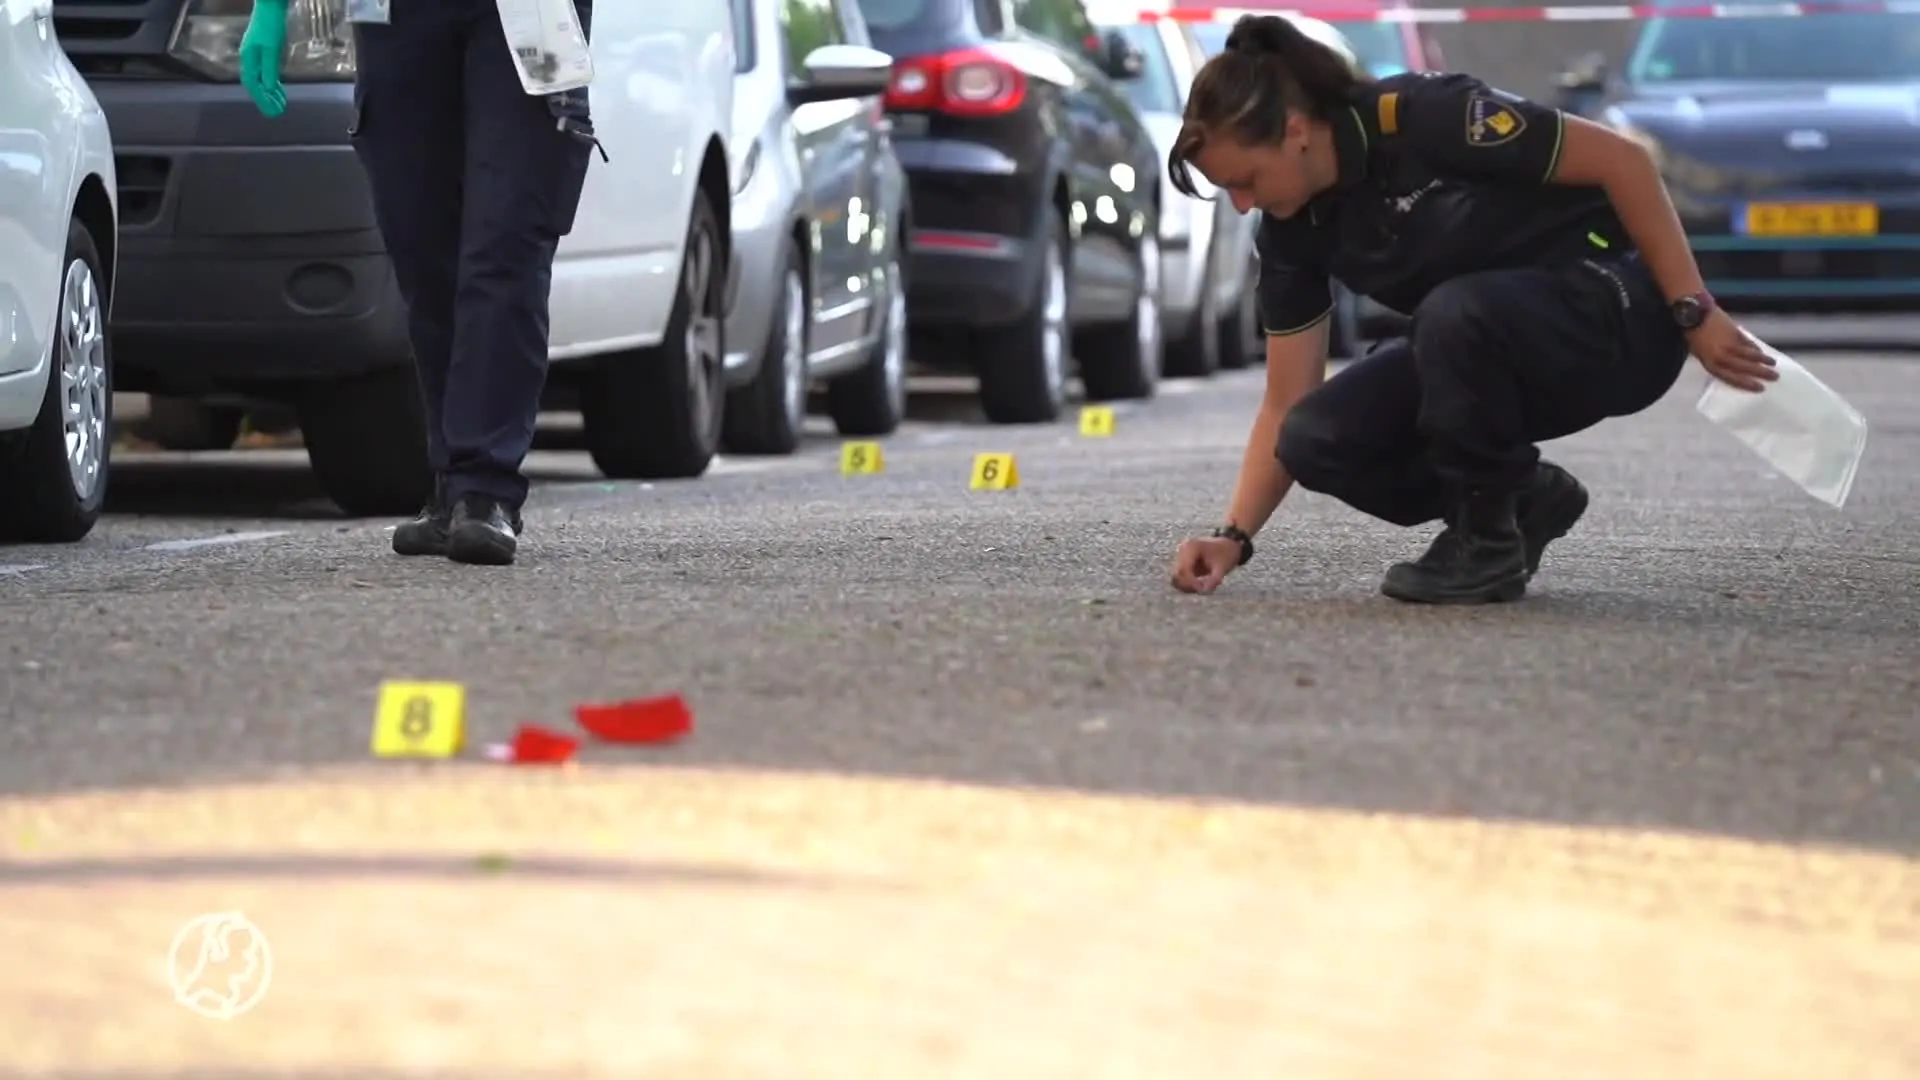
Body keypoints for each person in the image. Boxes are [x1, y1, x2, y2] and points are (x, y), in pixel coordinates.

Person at [1164, 15, 1775, 605]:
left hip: (1617, 315)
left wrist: (1694, 309)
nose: (1242, 205)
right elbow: (1284, 401)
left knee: (1453, 312)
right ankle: (1522, 501)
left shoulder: (1425, 118)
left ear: (1296, 131)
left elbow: (1626, 162)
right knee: (1316, 437)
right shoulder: (1290, 226)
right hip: (1473, 339)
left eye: (1246, 179)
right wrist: (1233, 538)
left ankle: (1485, 547)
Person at [238, 0, 598, 566]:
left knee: (505, 244)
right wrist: (271, 9)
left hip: (529, 12)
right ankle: (452, 484)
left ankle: (484, 490)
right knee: (423, 249)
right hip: (396, 16)